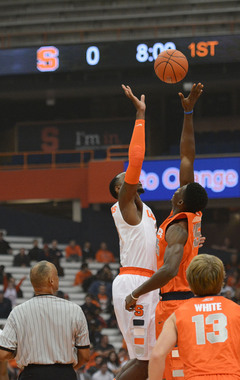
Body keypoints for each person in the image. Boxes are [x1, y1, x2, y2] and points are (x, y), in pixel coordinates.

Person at [125, 83, 208, 380]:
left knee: (173, 372)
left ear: (181, 199)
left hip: (176, 302)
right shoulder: (190, 213)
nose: (177, 186)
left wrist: (136, 292)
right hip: (188, 300)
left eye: (180, 188)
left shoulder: (178, 226)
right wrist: (188, 111)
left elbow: (171, 268)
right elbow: (188, 156)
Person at [109, 85, 159, 380]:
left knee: (144, 359)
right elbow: (136, 159)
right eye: (126, 179)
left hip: (144, 281)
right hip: (135, 282)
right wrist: (140, 116)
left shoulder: (147, 211)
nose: (134, 177)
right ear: (120, 189)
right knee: (146, 362)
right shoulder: (125, 204)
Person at [149, 254, 240, 380]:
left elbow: (157, 355)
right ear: (221, 281)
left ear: (189, 282)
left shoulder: (178, 315)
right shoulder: (237, 311)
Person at [0, 260, 90, 380]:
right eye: (57, 275)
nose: (58, 279)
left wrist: (20, 352)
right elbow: (85, 356)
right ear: (51, 280)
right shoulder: (75, 310)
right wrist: (68, 370)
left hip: (31, 374)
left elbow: (3, 353)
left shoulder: (18, 312)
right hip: (64, 374)